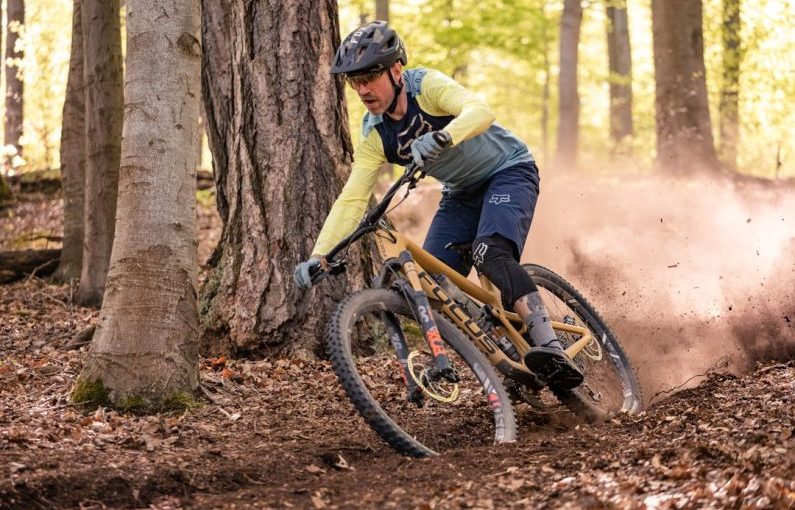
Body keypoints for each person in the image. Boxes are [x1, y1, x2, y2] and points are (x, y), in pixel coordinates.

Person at [293, 21, 582, 390]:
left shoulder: (425, 87)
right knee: (431, 283)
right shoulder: (376, 134)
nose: (363, 89)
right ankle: (504, 349)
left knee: (490, 252)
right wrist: (321, 254)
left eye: (370, 77)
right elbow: (352, 197)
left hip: (508, 170)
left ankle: (550, 346)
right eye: (355, 81)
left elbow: (480, 111)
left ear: (396, 69)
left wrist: (443, 135)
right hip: (461, 192)